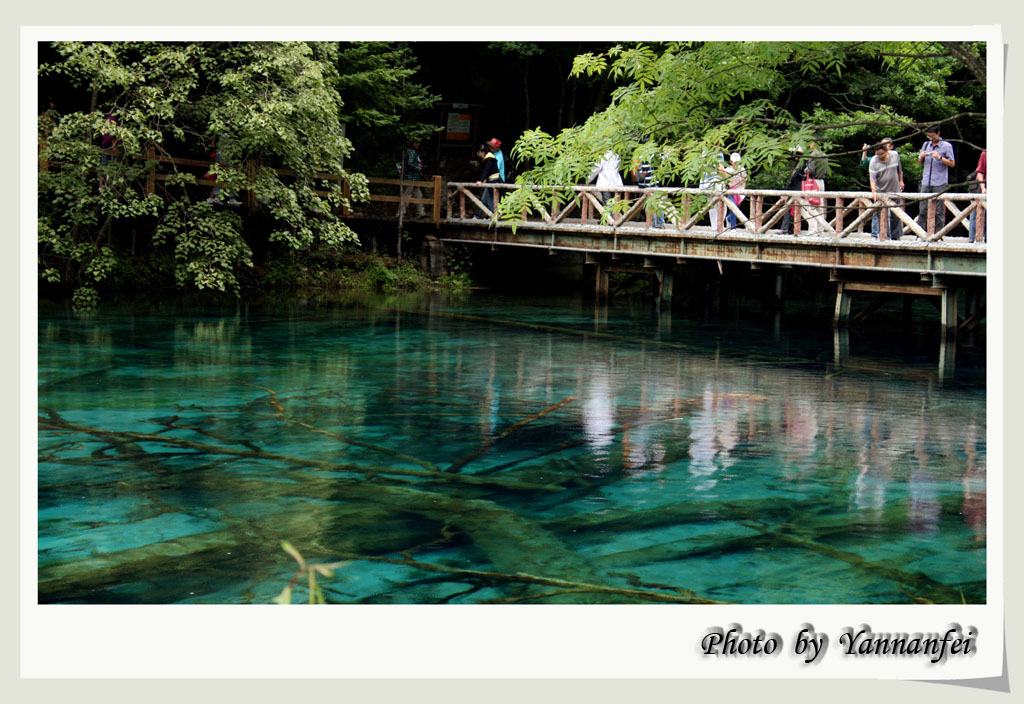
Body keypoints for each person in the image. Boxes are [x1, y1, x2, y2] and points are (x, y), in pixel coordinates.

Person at [915, 125, 955, 233]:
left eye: (932, 136)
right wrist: (921, 156)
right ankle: (920, 234)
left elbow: (952, 163)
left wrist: (940, 157)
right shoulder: (926, 144)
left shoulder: (946, 146)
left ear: (938, 133)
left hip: (940, 182)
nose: (930, 139)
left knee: (939, 211)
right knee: (922, 209)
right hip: (926, 181)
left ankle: (938, 234)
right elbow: (919, 163)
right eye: (928, 136)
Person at [860, 137, 901, 236]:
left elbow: (899, 169)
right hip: (880, 190)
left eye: (881, 154)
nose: (880, 156)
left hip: (894, 189)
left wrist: (901, 181)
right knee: (877, 213)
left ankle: (895, 236)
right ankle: (876, 234)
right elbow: (872, 179)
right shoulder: (874, 161)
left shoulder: (895, 155)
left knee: (895, 214)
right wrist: (874, 191)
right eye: (877, 154)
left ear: (887, 151)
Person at [632, 145, 665, 228]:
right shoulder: (657, 155)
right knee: (657, 204)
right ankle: (658, 223)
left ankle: (650, 224)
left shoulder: (638, 156)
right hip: (653, 183)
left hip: (643, 185)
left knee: (649, 205)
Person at [780, 146, 805, 234]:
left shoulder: (800, 165)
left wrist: (786, 190)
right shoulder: (803, 164)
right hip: (798, 189)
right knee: (794, 210)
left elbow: (792, 179)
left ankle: (786, 228)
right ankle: (791, 228)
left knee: (789, 209)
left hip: (795, 189)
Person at [399, 138, 427, 219]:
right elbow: (410, 163)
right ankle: (401, 213)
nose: (418, 144)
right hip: (410, 177)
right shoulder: (411, 151)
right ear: (413, 143)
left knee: (418, 195)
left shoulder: (414, 152)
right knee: (406, 194)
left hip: (415, 178)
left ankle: (420, 213)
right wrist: (419, 167)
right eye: (416, 143)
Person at [718, 152, 746, 230]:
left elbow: (744, 181)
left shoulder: (742, 170)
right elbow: (724, 180)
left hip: (739, 191)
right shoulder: (728, 170)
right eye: (735, 162)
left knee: (737, 209)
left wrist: (742, 190)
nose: (736, 163)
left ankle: (729, 218)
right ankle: (733, 227)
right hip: (730, 191)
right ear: (731, 162)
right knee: (734, 207)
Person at [699, 152, 726, 228]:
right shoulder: (718, 153)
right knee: (723, 205)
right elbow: (721, 170)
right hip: (716, 183)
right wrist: (726, 179)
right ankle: (720, 227)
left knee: (712, 206)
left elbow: (700, 167)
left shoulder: (704, 153)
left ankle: (714, 227)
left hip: (705, 183)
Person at [474, 143, 501, 219]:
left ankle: (494, 216)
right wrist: (485, 179)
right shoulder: (489, 158)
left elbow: (486, 170)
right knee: (484, 200)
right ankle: (479, 216)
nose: (478, 155)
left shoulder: (489, 159)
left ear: (482, 152)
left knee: (489, 200)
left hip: (493, 181)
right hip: (490, 180)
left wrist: (481, 180)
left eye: (478, 153)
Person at [968, 149, 987, 243]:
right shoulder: (985, 153)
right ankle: (972, 239)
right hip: (982, 185)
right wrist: (983, 187)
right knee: (975, 214)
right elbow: (980, 172)